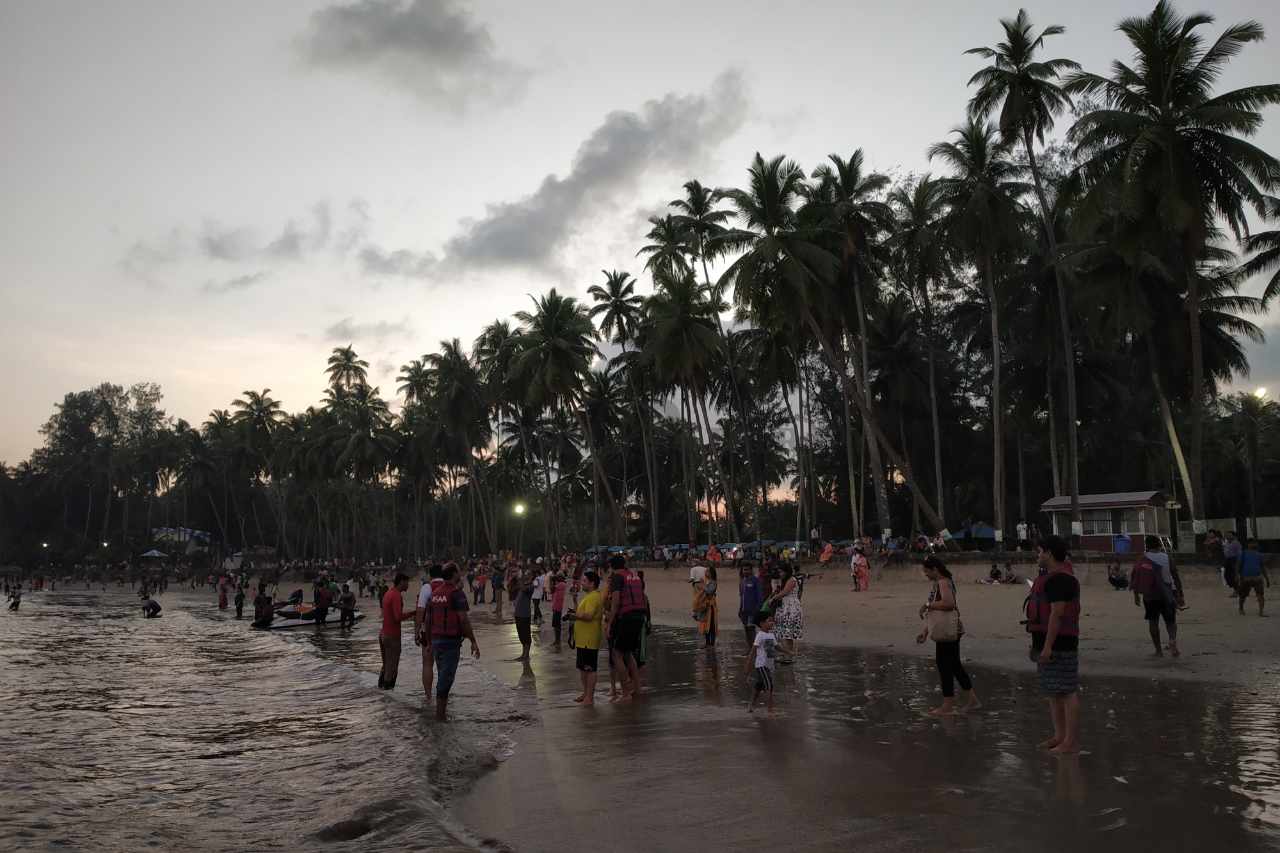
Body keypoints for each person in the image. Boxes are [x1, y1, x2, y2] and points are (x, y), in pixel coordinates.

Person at [1027, 536, 1081, 755]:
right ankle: (1059, 736)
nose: (1037, 556)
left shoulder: (1060, 580)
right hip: (1046, 642)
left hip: (1060, 644)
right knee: (1053, 691)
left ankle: (1070, 742)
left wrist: (1048, 646)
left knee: (1067, 691)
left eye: (1039, 551)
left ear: (1048, 553)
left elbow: (1057, 615)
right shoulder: (1050, 578)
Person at [916, 556, 979, 715]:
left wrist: (927, 604)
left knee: (945, 665)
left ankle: (948, 705)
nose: (926, 575)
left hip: (949, 629)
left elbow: (949, 603)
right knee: (954, 665)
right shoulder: (942, 582)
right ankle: (972, 700)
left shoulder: (943, 582)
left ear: (935, 569)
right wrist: (925, 631)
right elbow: (936, 614)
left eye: (927, 571)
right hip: (949, 629)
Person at [421, 562, 479, 720]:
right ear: (454, 574)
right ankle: (440, 718)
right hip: (450, 643)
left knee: (442, 676)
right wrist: (473, 641)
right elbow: (463, 620)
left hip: (437, 642)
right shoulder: (456, 593)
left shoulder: (435, 594)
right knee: (446, 679)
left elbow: (427, 619)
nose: (460, 573)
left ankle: (442, 714)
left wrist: (429, 642)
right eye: (459, 571)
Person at [1131, 535, 1181, 657]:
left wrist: (1136, 595)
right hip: (1167, 593)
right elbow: (1175, 576)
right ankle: (1172, 640)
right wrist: (1180, 594)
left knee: (1153, 622)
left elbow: (1136, 578)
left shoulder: (1142, 559)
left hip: (1150, 595)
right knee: (1170, 621)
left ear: (1146, 545)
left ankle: (1158, 651)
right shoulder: (1167, 558)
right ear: (1159, 544)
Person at [605, 555, 645, 701]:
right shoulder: (634, 576)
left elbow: (615, 602)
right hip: (640, 616)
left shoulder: (617, 577)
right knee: (628, 652)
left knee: (616, 654)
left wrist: (609, 623)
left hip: (626, 617)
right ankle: (637, 689)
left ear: (612, 566)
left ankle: (626, 693)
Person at [378, 573, 415, 690]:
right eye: (407, 582)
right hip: (392, 635)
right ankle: (389, 700)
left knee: (385, 666)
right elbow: (397, 617)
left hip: (383, 633)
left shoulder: (388, 593)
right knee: (392, 668)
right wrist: (412, 614)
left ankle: (380, 694)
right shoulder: (396, 595)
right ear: (402, 582)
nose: (408, 585)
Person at [573, 571, 605, 705]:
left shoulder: (593, 597)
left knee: (589, 668)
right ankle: (586, 693)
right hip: (582, 639)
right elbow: (580, 613)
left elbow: (588, 616)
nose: (582, 583)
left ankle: (589, 697)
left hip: (589, 639)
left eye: (584, 581)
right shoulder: (589, 596)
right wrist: (574, 600)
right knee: (582, 668)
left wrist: (574, 617)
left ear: (592, 583)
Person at [766, 564, 803, 662]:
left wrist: (773, 599)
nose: (780, 574)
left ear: (786, 572)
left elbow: (785, 592)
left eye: (781, 572)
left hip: (790, 608)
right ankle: (787, 654)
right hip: (786, 607)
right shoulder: (786, 580)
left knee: (787, 632)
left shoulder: (792, 580)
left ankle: (788, 655)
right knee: (785, 633)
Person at [746, 610, 778, 713]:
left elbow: (776, 647)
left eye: (772, 621)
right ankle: (770, 710)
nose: (772, 623)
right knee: (769, 686)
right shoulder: (760, 635)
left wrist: (788, 652)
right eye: (769, 621)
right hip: (761, 665)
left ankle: (751, 705)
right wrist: (748, 664)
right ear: (761, 623)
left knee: (759, 686)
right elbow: (753, 651)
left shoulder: (771, 635)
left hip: (769, 665)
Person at [1237, 539, 1271, 616]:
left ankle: (1261, 612)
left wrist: (1267, 579)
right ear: (1248, 544)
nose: (1254, 545)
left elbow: (1262, 567)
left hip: (1257, 578)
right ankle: (1241, 608)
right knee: (1243, 595)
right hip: (1246, 578)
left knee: (1260, 595)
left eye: (1255, 543)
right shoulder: (1243, 553)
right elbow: (1238, 565)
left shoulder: (1259, 554)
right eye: (1252, 543)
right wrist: (1237, 576)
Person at [738, 562, 763, 647]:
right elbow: (742, 597)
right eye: (744, 570)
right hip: (744, 611)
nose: (745, 571)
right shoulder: (742, 582)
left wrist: (757, 609)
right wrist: (740, 610)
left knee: (751, 630)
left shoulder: (756, 581)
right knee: (746, 631)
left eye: (747, 570)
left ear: (751, 570)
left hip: (752, 611)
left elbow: (760, 597)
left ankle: (754, 651)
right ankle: (750, 649)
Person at [513, 570, 535, 662]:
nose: (526, 576)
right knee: (521, 634)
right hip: (518, 614)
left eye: (528, 575)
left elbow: (524, 589)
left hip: (525, 614)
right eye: (526, 575)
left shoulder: (531, 586)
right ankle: (523, 654)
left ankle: (526, 655)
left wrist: (520, 580)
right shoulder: (523, 585)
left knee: (526, 634)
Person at [694, 566, 718, 647]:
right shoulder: (707, 582)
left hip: (710, 607)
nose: (705, 572)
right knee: (705, 624)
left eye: (707, 571)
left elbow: (709, 591)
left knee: (711, 625)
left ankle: (712, 644)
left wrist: (703, 586)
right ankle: (707, 643)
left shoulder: (713, 582)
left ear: (711, 573)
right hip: (705, 606)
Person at [550, 572, 567, 649]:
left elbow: (552, 588)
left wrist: (552, 580)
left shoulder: (562, 584)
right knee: (555, 625)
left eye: (558, 577)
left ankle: (558, 640)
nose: (557, 578)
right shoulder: (559, 584)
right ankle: (556, 640)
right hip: (555, 607)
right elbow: (551, 591)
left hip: (558, 607)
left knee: (557, 625)